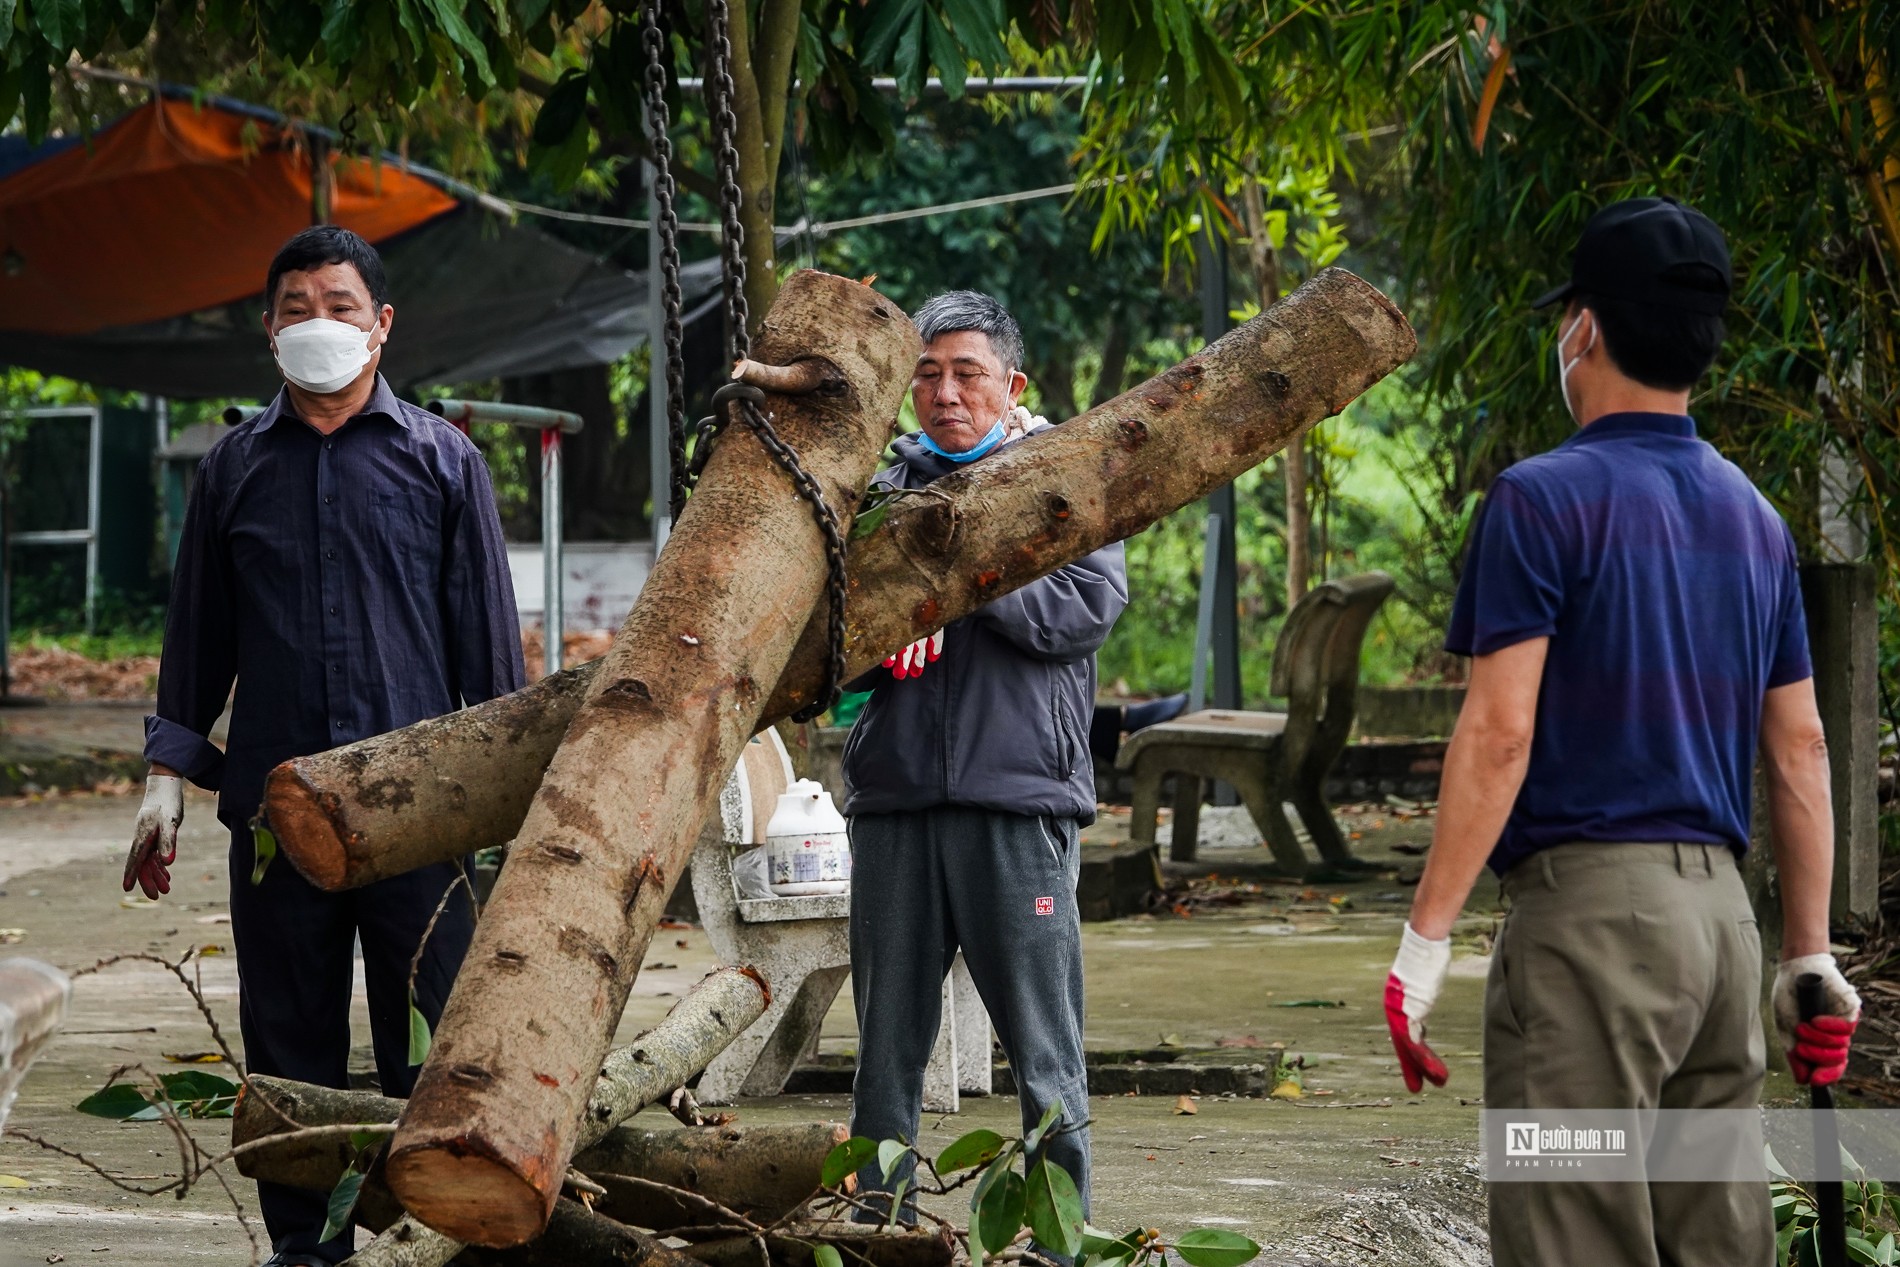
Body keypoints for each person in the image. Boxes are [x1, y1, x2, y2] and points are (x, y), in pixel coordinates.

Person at [1381, 197, 1860, 1266]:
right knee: (1717, 1241)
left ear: (1582, 328)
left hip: (1590, 935)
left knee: (1573, 1233)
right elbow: (1800, 750)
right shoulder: (1755, 518)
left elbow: (1500, 734)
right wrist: (1806, 955)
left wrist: (1425, 943)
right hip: (1725, 936)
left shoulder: (1539, 502)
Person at [122, 226, 525, 1267]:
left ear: (380, 326)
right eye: (295, 305)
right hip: (277, 815)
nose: (317, 322)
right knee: (290, 1043)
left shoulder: (444, 461)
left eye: (338, 304)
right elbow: (197, 641)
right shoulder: (232, 471)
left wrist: (511, 823)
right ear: (269, 330)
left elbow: (491, 663)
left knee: (434, 1044)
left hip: (420, 822)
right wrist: (165, 779)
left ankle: (428, 1239)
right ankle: (306, 1249)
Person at [842, 291, 1128, 1231]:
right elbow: (826, 641)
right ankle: (878, 1225)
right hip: (895, 800)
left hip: (1019, 801)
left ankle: (1058, 1237)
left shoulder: (1064, 480)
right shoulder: (880, 492)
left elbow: (1082, 613)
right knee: (885, 1050)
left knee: (1045, 1047)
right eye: (927, 373)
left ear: (1014, 384)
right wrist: (879, 632)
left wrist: (952, 584)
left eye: (968, 372)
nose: (946, 392)